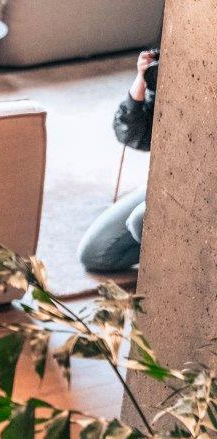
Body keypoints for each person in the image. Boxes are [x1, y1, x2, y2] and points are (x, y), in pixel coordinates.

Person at [78, 49, 158, 273]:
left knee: (140, 221)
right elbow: (135, 135)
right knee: (96, 254)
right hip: (173, 181)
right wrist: (142, 79)